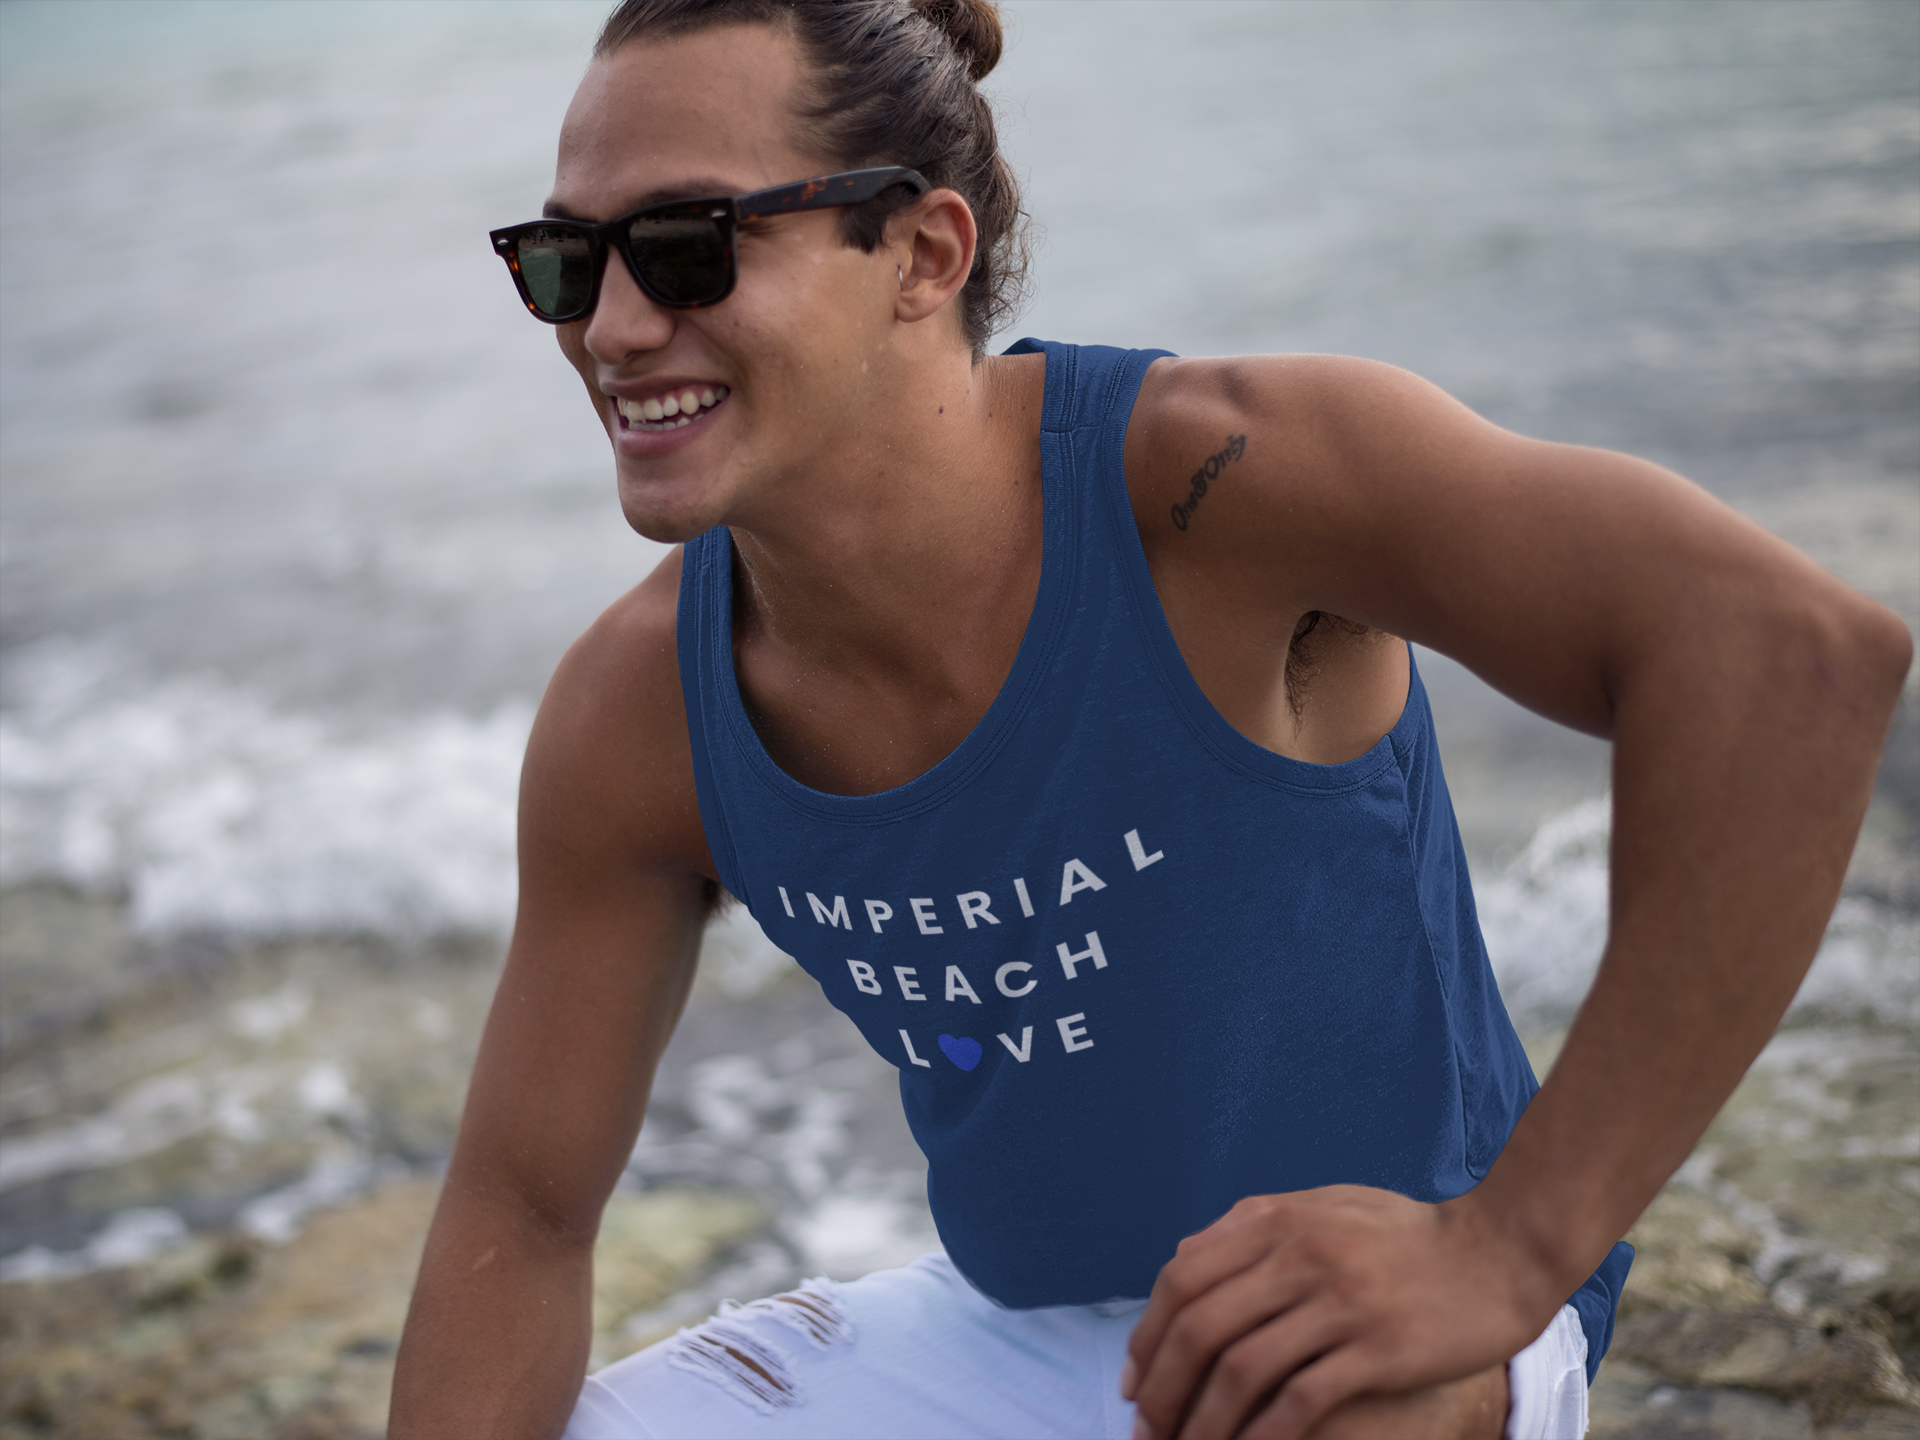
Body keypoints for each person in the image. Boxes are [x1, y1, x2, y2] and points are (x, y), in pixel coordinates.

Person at [389, 1, 1911, 1436]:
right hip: (1016, 1330)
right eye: (567, 263)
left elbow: (1789, 659)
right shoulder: (642, 708)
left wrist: (1512, 1248)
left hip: (1396, 1330)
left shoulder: (1212, 489)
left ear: (922, 252)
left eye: (684, 246)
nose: (613, 330)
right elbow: (522, 1213)